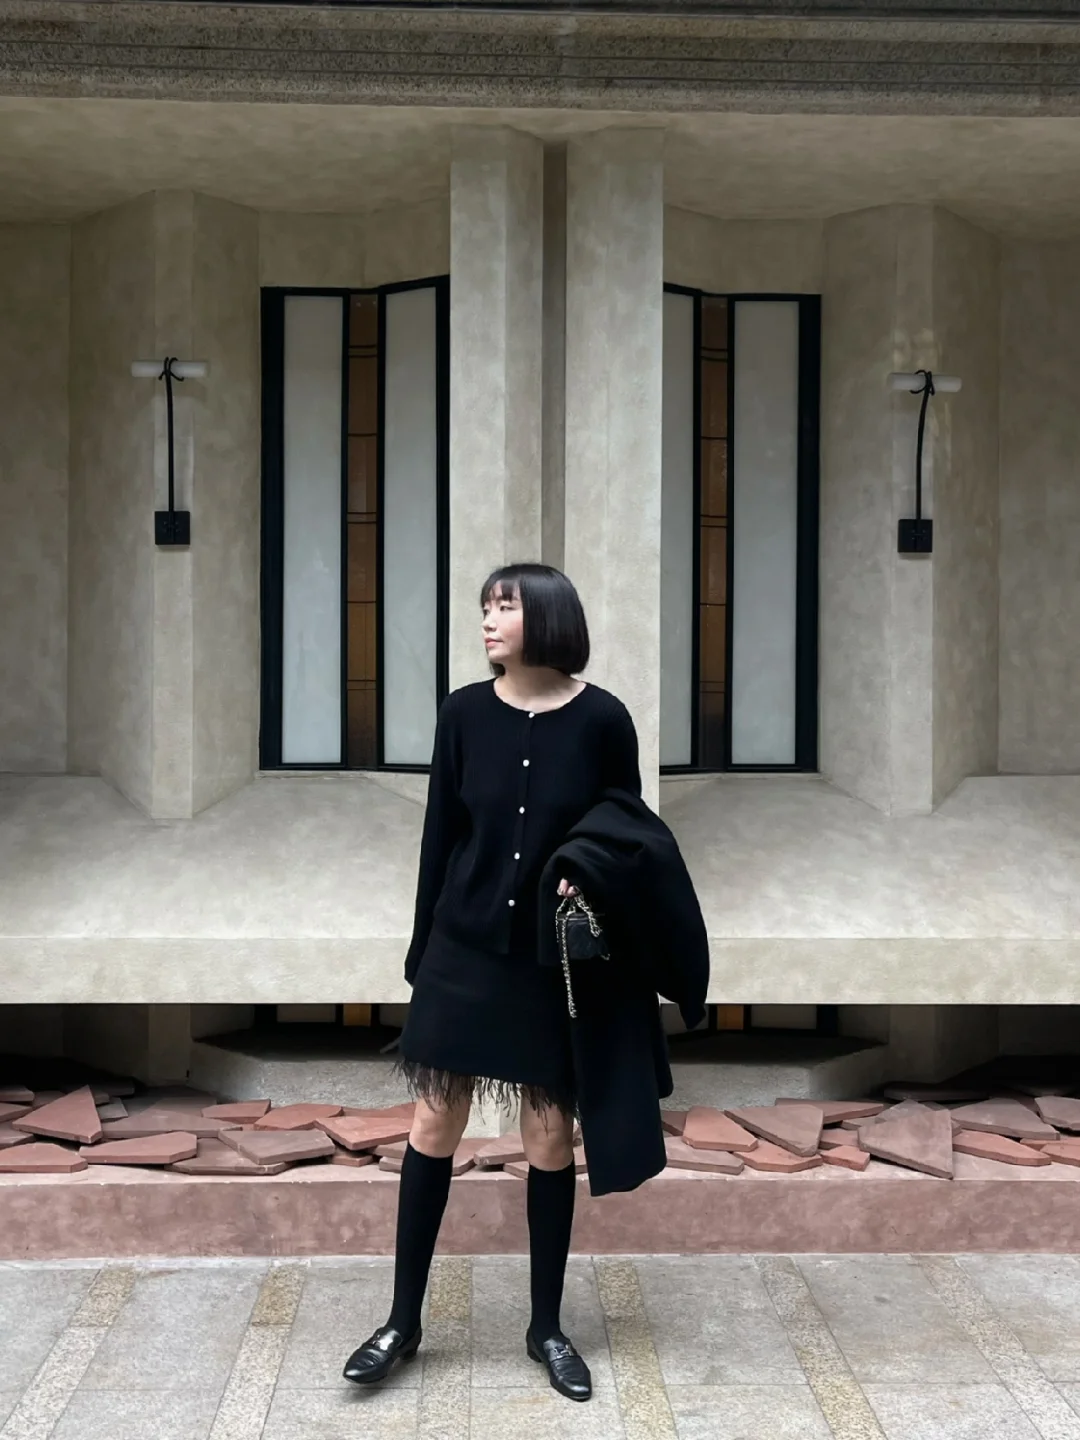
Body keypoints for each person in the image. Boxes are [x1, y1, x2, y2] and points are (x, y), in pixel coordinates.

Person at [342, 562, 642, 1404]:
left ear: (547, 617)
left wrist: (588, 874)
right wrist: (420, 951)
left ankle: (546, 1327)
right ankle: (402, 1322)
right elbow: (440, 832)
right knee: (434, 1122)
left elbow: (627, 835)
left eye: (503, 607)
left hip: (548, 962)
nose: (487, 620)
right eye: (485, 608)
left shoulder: (604, 721)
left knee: (548, 1139)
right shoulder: (464, 713)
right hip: (462, 950)